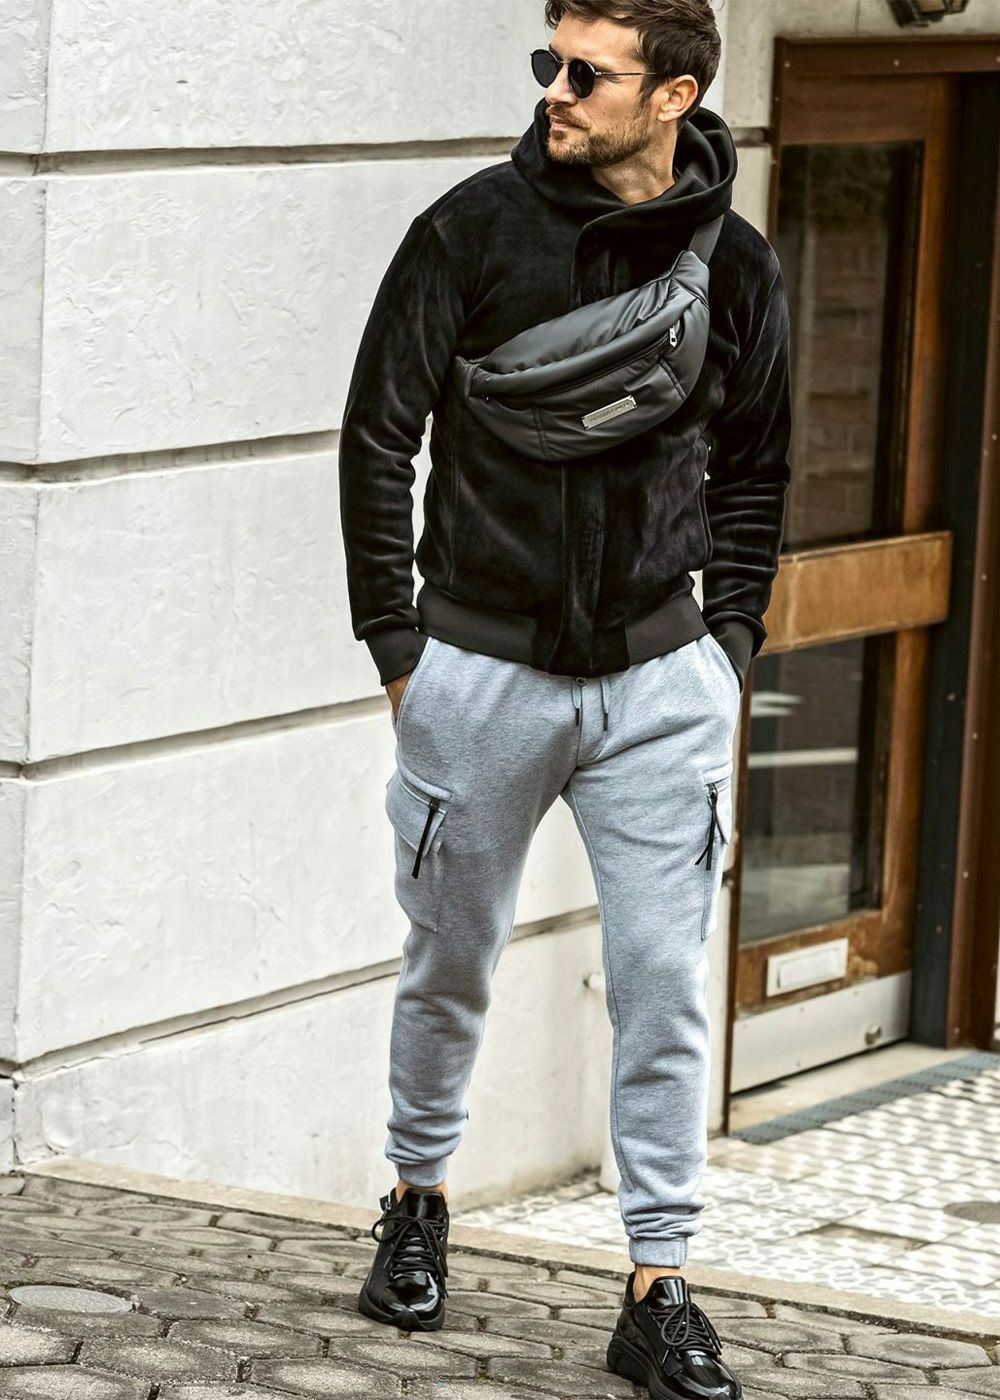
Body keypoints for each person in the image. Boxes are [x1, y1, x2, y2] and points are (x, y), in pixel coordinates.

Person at [338, 0, 790, 1393]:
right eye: (550, 61)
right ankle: (418, 1199)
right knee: (451, 962)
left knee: (663, 990)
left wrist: (725, 646)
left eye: (588, 72)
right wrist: (401, 648)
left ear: (675, 94)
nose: (555, 90)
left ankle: (660, 1283)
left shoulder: (737, 265)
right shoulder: (469, 232)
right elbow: (379, 434)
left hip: (660, 683)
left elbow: (757, 470)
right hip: (479, 673)